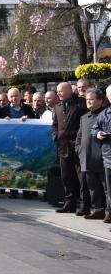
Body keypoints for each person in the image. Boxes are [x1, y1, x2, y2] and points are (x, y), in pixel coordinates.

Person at [52, 82, 88, 213]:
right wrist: (55, 136)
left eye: (61, 90)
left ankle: (85, 204)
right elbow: (55, 125)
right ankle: (69, 203)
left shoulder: (81, 104)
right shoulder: (58, 106)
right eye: (57, 91)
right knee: (66, 177)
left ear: (69, 90)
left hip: (77, 146)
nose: (58, 93)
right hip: (63, 147)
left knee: (81, 177)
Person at [76, 88, 107, 219]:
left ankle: (109, 212)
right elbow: (79, 136)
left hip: (102, 158)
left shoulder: (105, 116)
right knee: (92, 187)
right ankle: (98, 210)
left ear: (100, 100)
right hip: (86, 158)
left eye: (91, 99)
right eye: (87, 99)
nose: (88, 102)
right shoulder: (84, 117)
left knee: (106, 187)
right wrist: (78, 149)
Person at [89, 84, 111, 225]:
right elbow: (94, 129)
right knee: (110, 190)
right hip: (109, 158)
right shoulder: (105, 113)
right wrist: (98, 133)